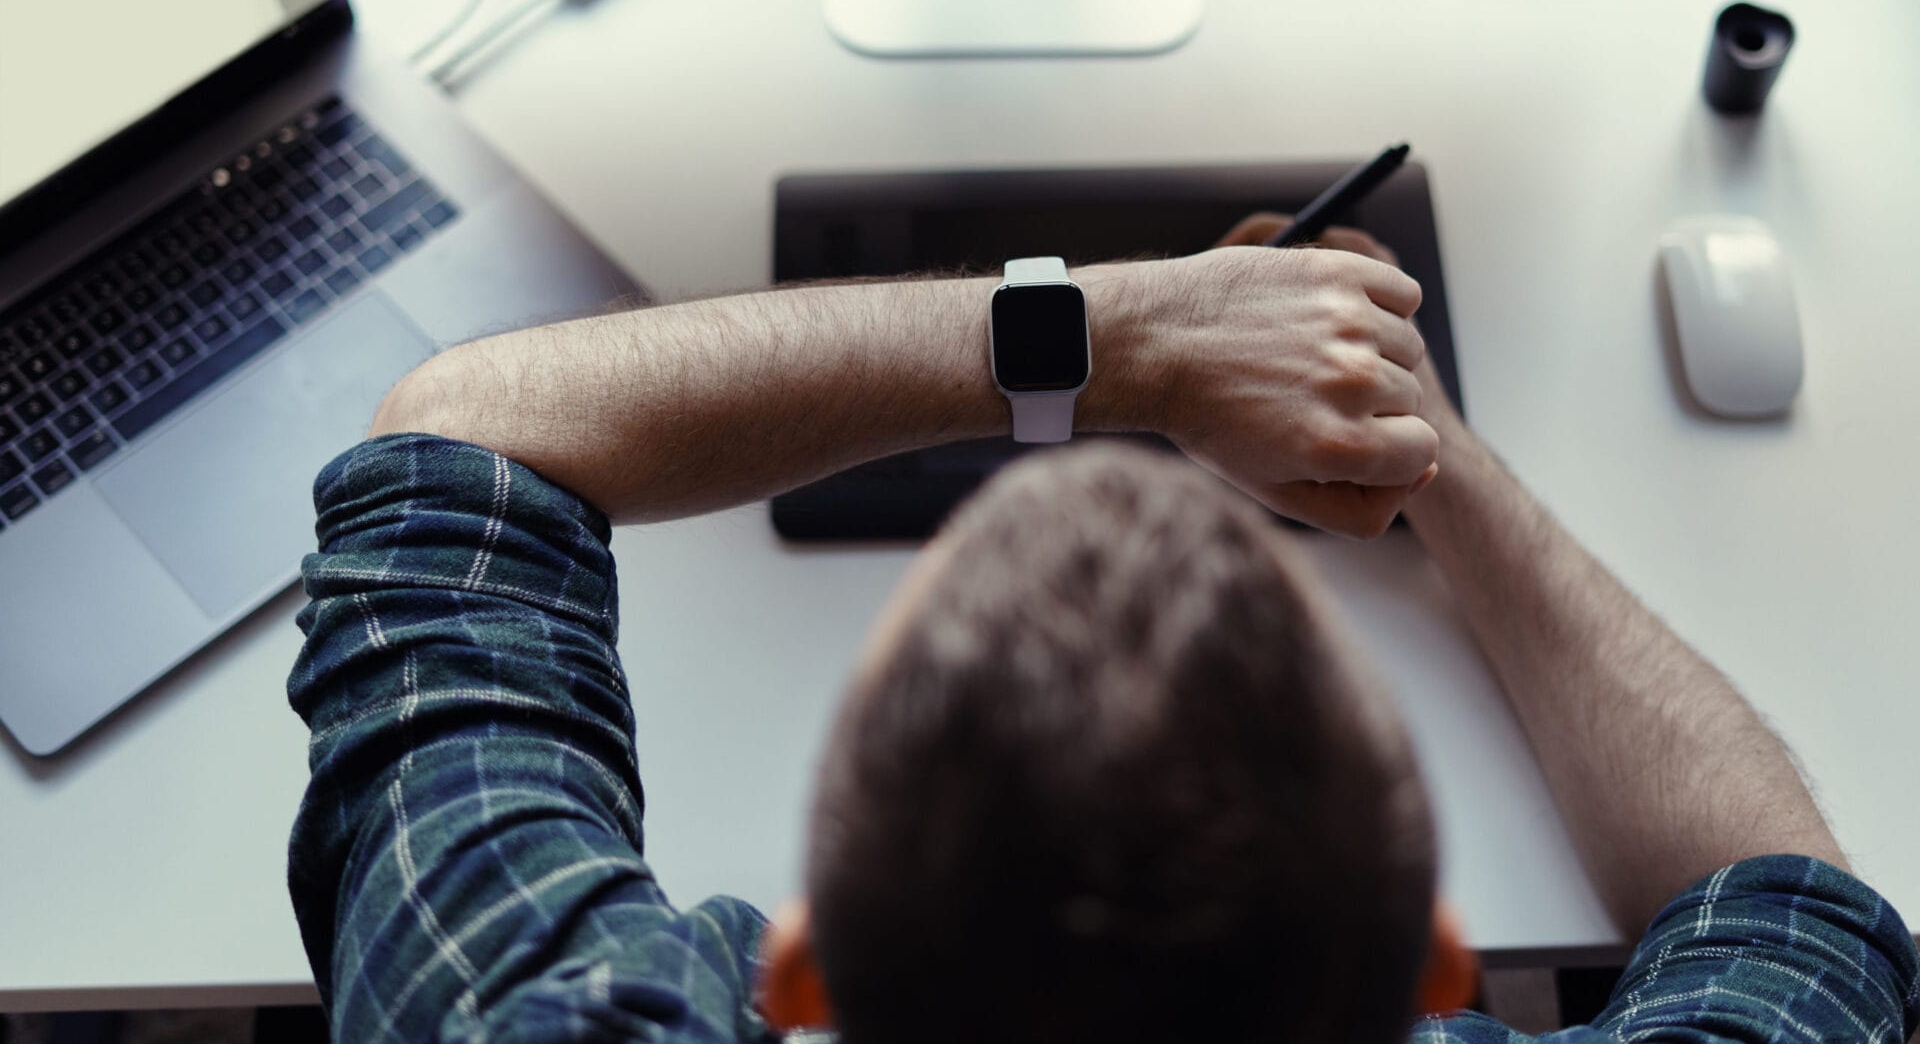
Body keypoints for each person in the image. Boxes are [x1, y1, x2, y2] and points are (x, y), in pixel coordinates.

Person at [284, 220, 1918, 1044]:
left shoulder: (517, 1016)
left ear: (792, 976)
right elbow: (1789, 906)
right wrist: (1431, 452)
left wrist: (1124, 334)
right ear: (1436, 963)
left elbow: (464, 432)